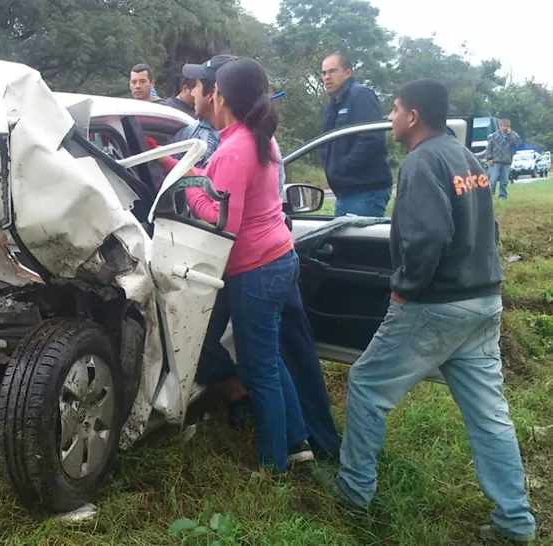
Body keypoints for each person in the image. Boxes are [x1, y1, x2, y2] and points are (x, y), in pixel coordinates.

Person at [332, 79, 535, 544]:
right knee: (489, 415)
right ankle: (516, 521)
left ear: (414, 116)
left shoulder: (422, 162)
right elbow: (488, 226)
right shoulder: (466, 157)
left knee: (365, 385)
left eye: (395, 110)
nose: (390, 119)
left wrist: (406, 288)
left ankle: (353, 490)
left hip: (436, 303)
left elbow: (428, 236)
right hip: (484, 301)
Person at [176, 54, 340, 461]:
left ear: (220, 98)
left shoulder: (234, 148)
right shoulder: (258, 138)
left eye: (210, 91)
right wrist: (187, 171)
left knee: (258, 369)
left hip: (255, 270)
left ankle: (273, 465)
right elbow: (232, 194)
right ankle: (296, 441)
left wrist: (189, 187)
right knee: (271, 360)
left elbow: (222, 221)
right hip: (279, 257)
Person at [319, 52, 393, 217]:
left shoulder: (361, 95)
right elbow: (323, 141)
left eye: (332, 71)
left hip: (366, 190)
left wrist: (342, 167)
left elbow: (372, 139)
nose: (327, 77)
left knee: (358, 242)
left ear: (347, 73)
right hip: (346, 191)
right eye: (324, 73)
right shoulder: (334, 104)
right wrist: (327, 164)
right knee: (344, 241)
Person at [483, 119, 522, 200]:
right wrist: (489, 158)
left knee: (504, 181)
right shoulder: (493, 136)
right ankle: (490, 197)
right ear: (500, 126)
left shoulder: (513, 135)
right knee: (493, 181)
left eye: (507, 126)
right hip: (495, 161)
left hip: (506, 161)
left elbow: (516, 143)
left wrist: (510, 135)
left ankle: (503, 197)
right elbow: (489, 148)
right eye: (504, 126)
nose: (505, 127)